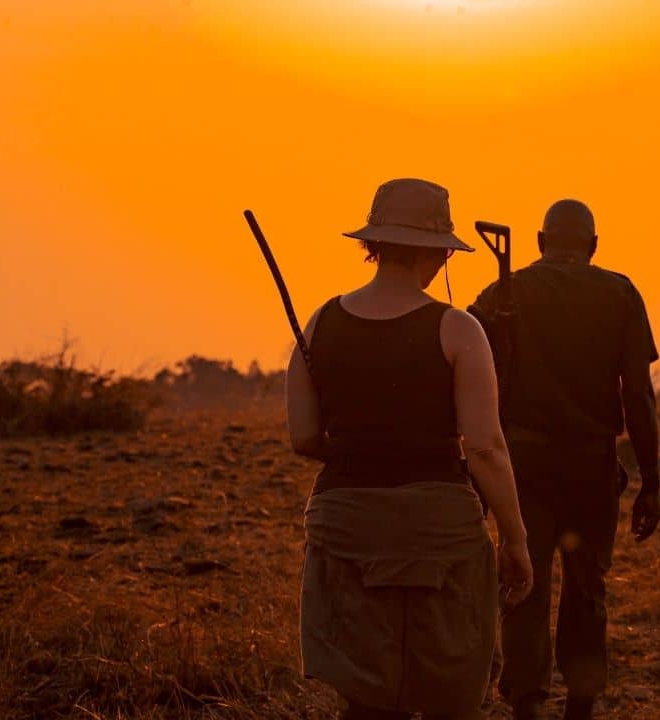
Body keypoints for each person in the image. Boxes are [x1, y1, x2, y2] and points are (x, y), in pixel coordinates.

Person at [286, 178, 534, 720]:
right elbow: (487, 446)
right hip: (440, 529)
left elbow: (303, 437)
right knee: (448, 682)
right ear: (441, 253)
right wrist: (515, 540)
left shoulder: (320, 322)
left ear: (372, 245)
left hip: (345, 522)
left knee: (366, 693)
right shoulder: (458, 329)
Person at [468, 199, 660, 720]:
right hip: (591, 468)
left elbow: (466, 378)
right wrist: (651, 481)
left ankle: (527, 705)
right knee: (587, 588)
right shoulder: (620, 294)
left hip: (521, 469)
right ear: (594, 246)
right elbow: (639, 394)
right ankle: (580, 703)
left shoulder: (505, 293)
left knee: (523, 583)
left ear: (538, 241)